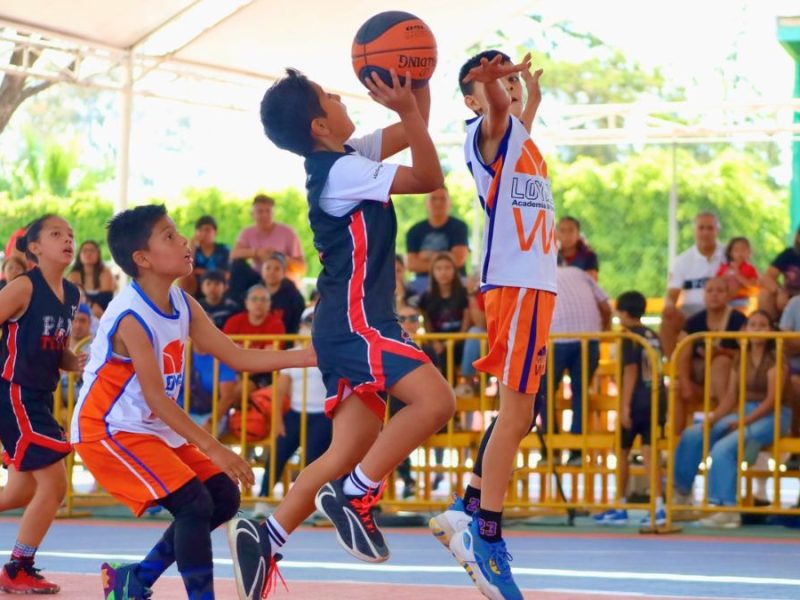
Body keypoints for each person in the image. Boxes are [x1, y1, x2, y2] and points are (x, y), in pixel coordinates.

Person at [226, 67, 454, 599]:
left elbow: (415, 122)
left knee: (346, 448)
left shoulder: (347, 156)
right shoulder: (342, 171)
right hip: (358, 322)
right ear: (319, 124)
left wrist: (414, 74)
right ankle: (354, 497)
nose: (340, 95)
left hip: (348, 320)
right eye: (330, 95)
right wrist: (406, 110)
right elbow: (428, 177)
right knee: (435, 402)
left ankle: (268, 536)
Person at [69, 204, 314, 600]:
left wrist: (307, 356)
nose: (184, 240)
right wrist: (214, 448)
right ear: (142, 259)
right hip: (108, 429)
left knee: (223, 497)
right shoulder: (131, 316)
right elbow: (155, 397)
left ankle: (135, 579)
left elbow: (238, 357)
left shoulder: (183, 303)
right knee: (194, 503)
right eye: (169, 236)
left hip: (150, 427)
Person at [430, 50, 555, 600]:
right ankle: (486, 538)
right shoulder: (487, 132)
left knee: (520, 415)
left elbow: (522, 110)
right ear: (473, 98)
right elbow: (505, 111)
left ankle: (467, 508)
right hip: (517, 283)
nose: (508, 90)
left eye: (507, 82)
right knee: (517, 414)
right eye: (494, 84)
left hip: (532, 284)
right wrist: (498, 84)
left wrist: (526, 86)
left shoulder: (519, 137)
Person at [0, 215, 82, 594]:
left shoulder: (72, 294)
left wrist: (75, 362)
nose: (67, 239)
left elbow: (57, 350)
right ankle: (18, 567)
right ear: (34, 247)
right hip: (14, 394)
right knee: (54, 483)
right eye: (56, 234)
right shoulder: (22, 288)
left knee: (20, 493)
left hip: (40, 397)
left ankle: (20, 566)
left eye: (70, 235)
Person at [673, 310, 790, 528]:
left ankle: (726, 509)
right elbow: (730, 397)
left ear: (771, 330)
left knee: (723, 448)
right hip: (743, 410)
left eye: (762, 325)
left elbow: (771, 401)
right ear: (744, 330)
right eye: (752, 325)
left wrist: (744, 422)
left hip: (773, 415)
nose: (757, 329)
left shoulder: (777, 358)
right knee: (694, 433)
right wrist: (712, 418)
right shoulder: (740, 357)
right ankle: (681, 493)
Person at [593, 291, 666, 527]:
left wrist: (624, 406)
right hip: (657, 395)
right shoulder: (652, 335)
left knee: (625, 450)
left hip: (638, 399)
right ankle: (657, 504)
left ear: (624, 312)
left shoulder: (629, 337)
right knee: (647, 450)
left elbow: (631, 371)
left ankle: (624, 504)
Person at [256, 309, 331, 502]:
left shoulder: (333, 353)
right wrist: (278, 421)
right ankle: (264, 497)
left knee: (312, 460)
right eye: (309, 321)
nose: (313, 325)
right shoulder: (291, 354)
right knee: (277, 453)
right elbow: (280, 392)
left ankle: (305, 503)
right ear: (301, 325)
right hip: (296, 412)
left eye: (317, 320)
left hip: (323, 415)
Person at [535, 262, 612, 448]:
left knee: (543, 390)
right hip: (589, 339)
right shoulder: (579, 272)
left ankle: (550, 443)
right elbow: (605, 305)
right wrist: (603, 330)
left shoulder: (537, 275)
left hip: (558, 339)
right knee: (580, 390)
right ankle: (577, 448)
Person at [674, 277, 747, 435]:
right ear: (704, 295)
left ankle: (725, 423)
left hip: (730, 383)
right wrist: (685, 382)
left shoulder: (738, 320)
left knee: (720, 362)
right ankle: (675, 442)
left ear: (728, 296)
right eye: (710, 291)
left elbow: (748, 354)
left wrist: (722, 352)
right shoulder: (693, 322)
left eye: (720, 291)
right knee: (676, 386)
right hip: (701, 381)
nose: (714, 295)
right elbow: (682, 352)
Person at [660, 212, 725, 358]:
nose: (705, 232)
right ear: (694, 231)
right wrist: (669, 305)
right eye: (701, 228)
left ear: (717, 231)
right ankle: (672, 367)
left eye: (710, 228)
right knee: (668, 319)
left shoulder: (729, 255)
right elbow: (672, 294)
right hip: (691, 311)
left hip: (724, 310)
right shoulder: (682, 260)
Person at [405, 187, 469, 294]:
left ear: (450, 202)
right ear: (426, 203)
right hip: (422, 283)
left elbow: (458, 260)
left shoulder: (459, 227)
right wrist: (446, 261)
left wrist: (428, 255)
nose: (438, 203)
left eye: (443, 199)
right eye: (433, 199)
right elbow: (411, 265)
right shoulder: (414, 230)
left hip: (455, 282)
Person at [223, 285, 286, 393]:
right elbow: (225, 350)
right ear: (246, 303)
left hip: (264, 372)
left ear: (269, 304)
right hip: (235, 369)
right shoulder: (233, 321)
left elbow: (267, 357)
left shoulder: (276, 324)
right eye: (254, 299)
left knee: (239, 391)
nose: (259, 303)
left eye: (263, 300)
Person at [418, 252, 470, 374]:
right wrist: (435, 343)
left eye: (447, 268)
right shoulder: (426, 297)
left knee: (451, 351)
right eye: (439, 268)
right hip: (437, 342)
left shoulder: (463, 293)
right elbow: (426, 323)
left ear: (454, 270)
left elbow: (466, 322)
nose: (443, 272)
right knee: (431, 352)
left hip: (459, 341)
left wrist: (452, 342)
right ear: (433, 272)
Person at [181, 215, 230, 297]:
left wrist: (200, 271)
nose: (203, 233)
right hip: (197, 288)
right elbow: (187, 271)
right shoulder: (195, 250)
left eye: (207, 230)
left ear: (215, 232)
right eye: (200, 230)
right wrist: (191, 246)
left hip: (220, 288)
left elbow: (227, 274)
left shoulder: (223, 249)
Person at [760, 225, 800, 320]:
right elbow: (767, 277)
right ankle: (770, 329)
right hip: (788, 295)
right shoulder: (789, 254)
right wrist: (780, 291)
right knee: (765, 294)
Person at [261, 252, 306, 335]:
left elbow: (297, 321)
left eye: (277, 269)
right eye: (268, 268)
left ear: (284, 272)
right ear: (262, 271)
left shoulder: (294, 296)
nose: (271, 272)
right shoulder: (254, 293)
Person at [67, 240, 115, 316]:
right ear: (79, 255)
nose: (88, 254)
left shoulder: (105, 273)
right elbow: (73, 298)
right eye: (85, 251)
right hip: (79, 316)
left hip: (103, 314)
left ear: (98, 254)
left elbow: (106, 299)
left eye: (92, 250)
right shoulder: (74, 274)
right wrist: (90, 305)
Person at [717, 237, 759, 312]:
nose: (740, 253)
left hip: (741, 300)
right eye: (736, 250)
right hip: (724, 300)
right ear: (730, 253)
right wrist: (725, 276)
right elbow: (717, 283)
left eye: (743, 250)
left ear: (749, 252)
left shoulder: (750, 269)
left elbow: (752, 286)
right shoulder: (724, 267)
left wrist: (738, 275)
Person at [557, 216, 598, 280]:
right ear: (557, 234)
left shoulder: (588, 256)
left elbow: (592, 281)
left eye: (571, 230)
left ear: (578, 234)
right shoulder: (553, 257)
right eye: (562, 231)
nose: (566, 235)